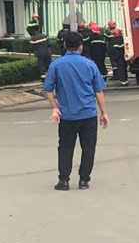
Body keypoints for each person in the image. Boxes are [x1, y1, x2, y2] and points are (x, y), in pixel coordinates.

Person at [44, 30, 110, 191]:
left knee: (65, 147)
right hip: (88, 114)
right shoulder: (90, 65)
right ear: (81, 46)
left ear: (65, 45)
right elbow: (98, 91)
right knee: (88, 148)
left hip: (67, 116)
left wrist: (55, 108)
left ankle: (64, 180)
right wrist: (104, 112)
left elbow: (48, 89)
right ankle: (84, 180)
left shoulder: (56, 65)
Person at [107, 21, 128, 85]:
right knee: (121, 67)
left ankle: (123, 81)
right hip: (118, 56)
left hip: (119, 56)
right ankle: (122, 80)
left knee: (121, 67)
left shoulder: (116, 38)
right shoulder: (119, 38)